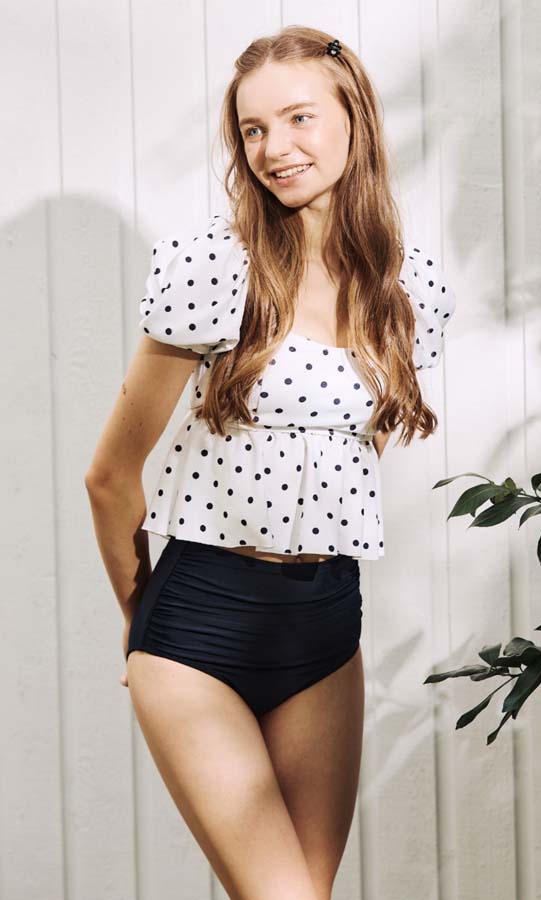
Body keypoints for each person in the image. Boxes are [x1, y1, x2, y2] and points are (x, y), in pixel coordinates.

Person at [85, 24, 456, 900]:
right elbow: (110, 477)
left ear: (354, 118)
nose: (274, 148)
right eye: (253, 129)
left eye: (298, 118)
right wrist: (145, 624)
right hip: (197, 624)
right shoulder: (212, 269)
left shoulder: (413, 291)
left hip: (325, 626)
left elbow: (343, 462)